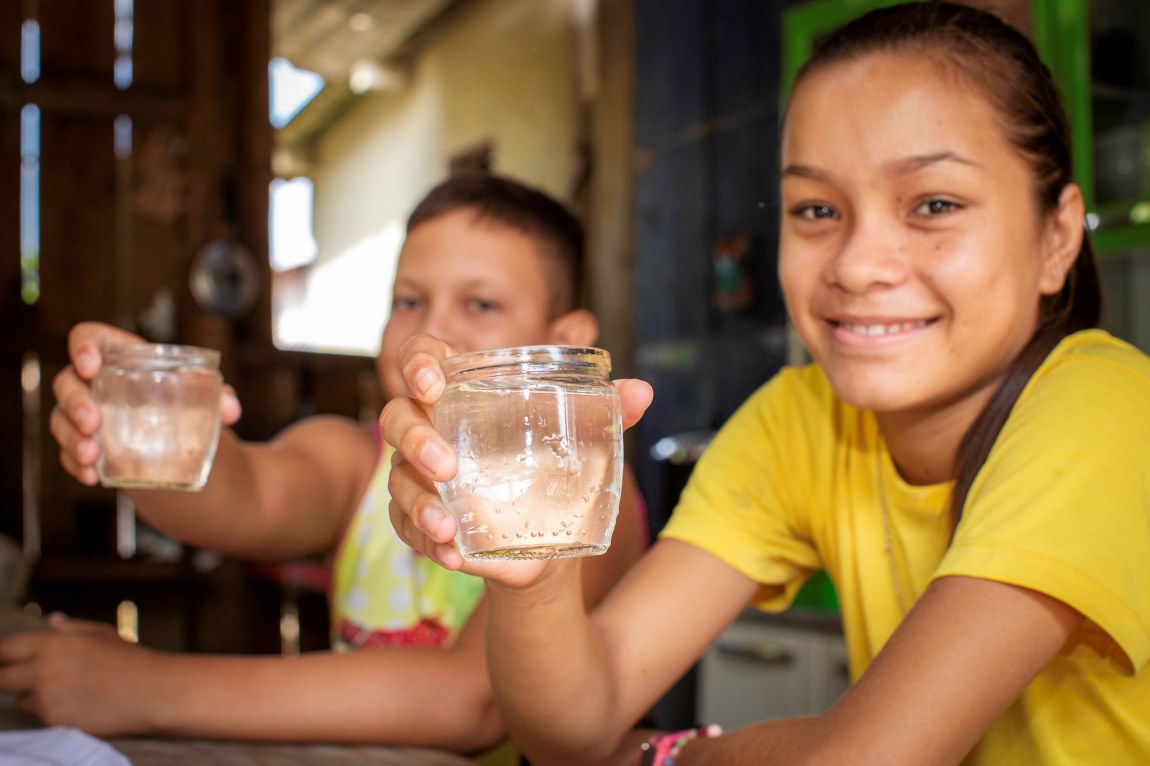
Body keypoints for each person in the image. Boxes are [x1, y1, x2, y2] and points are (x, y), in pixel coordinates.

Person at [382, 4, 1150, 765]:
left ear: (1056, 239)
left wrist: (676, 756)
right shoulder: (802, 419)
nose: (855, 263)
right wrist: (535, 579)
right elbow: (576, 725)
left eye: (935, 205)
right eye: (817, 209)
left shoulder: (1109, 413)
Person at [0, 174, 647, 760]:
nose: (434, 331)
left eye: (481, 305)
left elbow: (472, 701)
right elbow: (236, 498)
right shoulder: (356, 462)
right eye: (409, 301)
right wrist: (147, 424)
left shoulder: (587, 498)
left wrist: (145, 687)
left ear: (566, 342)